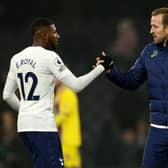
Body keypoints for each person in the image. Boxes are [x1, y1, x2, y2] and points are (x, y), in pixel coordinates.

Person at [2, 17, 113, 168]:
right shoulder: (49, 57)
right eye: (54, 32)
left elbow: (7, 94)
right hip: (43, 127)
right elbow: (76, 85)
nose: (58, 35)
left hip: (24, 127)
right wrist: (102, 67)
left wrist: (26, 110)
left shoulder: (16, 58)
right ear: (44, 35)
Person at [98, 7, 168, 168]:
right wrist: (111, 71)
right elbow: (131, 81)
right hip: (157, 130)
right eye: (150, 26)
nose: (151, 31)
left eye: (155, 27)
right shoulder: (149, 52)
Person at [54, 80, 82, 168]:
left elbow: (64, 115)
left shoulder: (68, 94)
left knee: (70, 165)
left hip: (68, 139)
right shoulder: (58, 94)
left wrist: (49, 124)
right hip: (61, 139)